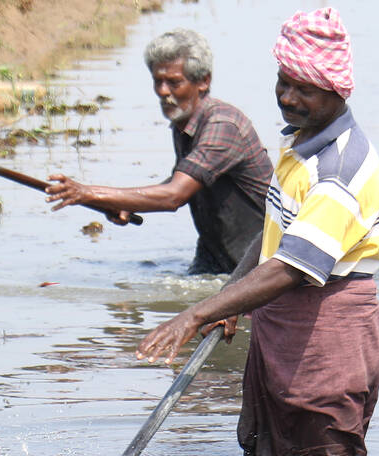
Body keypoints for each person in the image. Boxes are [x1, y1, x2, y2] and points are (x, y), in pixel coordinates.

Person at [136, 7, 379, 456]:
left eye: (305, 89)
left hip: (326, 334)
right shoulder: (300, 142)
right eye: (283, 83)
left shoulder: (338, 170)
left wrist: (196, 314)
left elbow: (293, 265)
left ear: (335, 89)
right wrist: (231, 298)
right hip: (280, 327)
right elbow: (273, 234)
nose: (288, 98)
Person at [45, 29, 273, 275]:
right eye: (158, 81)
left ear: (203, 81)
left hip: (259, 262)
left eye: (174, 82)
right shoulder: (184, 122)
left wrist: (87, 193)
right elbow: (185, 178)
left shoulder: (222, 126)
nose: (164, 91)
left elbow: (174, 195)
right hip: (216, 256)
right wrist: (125, 202)